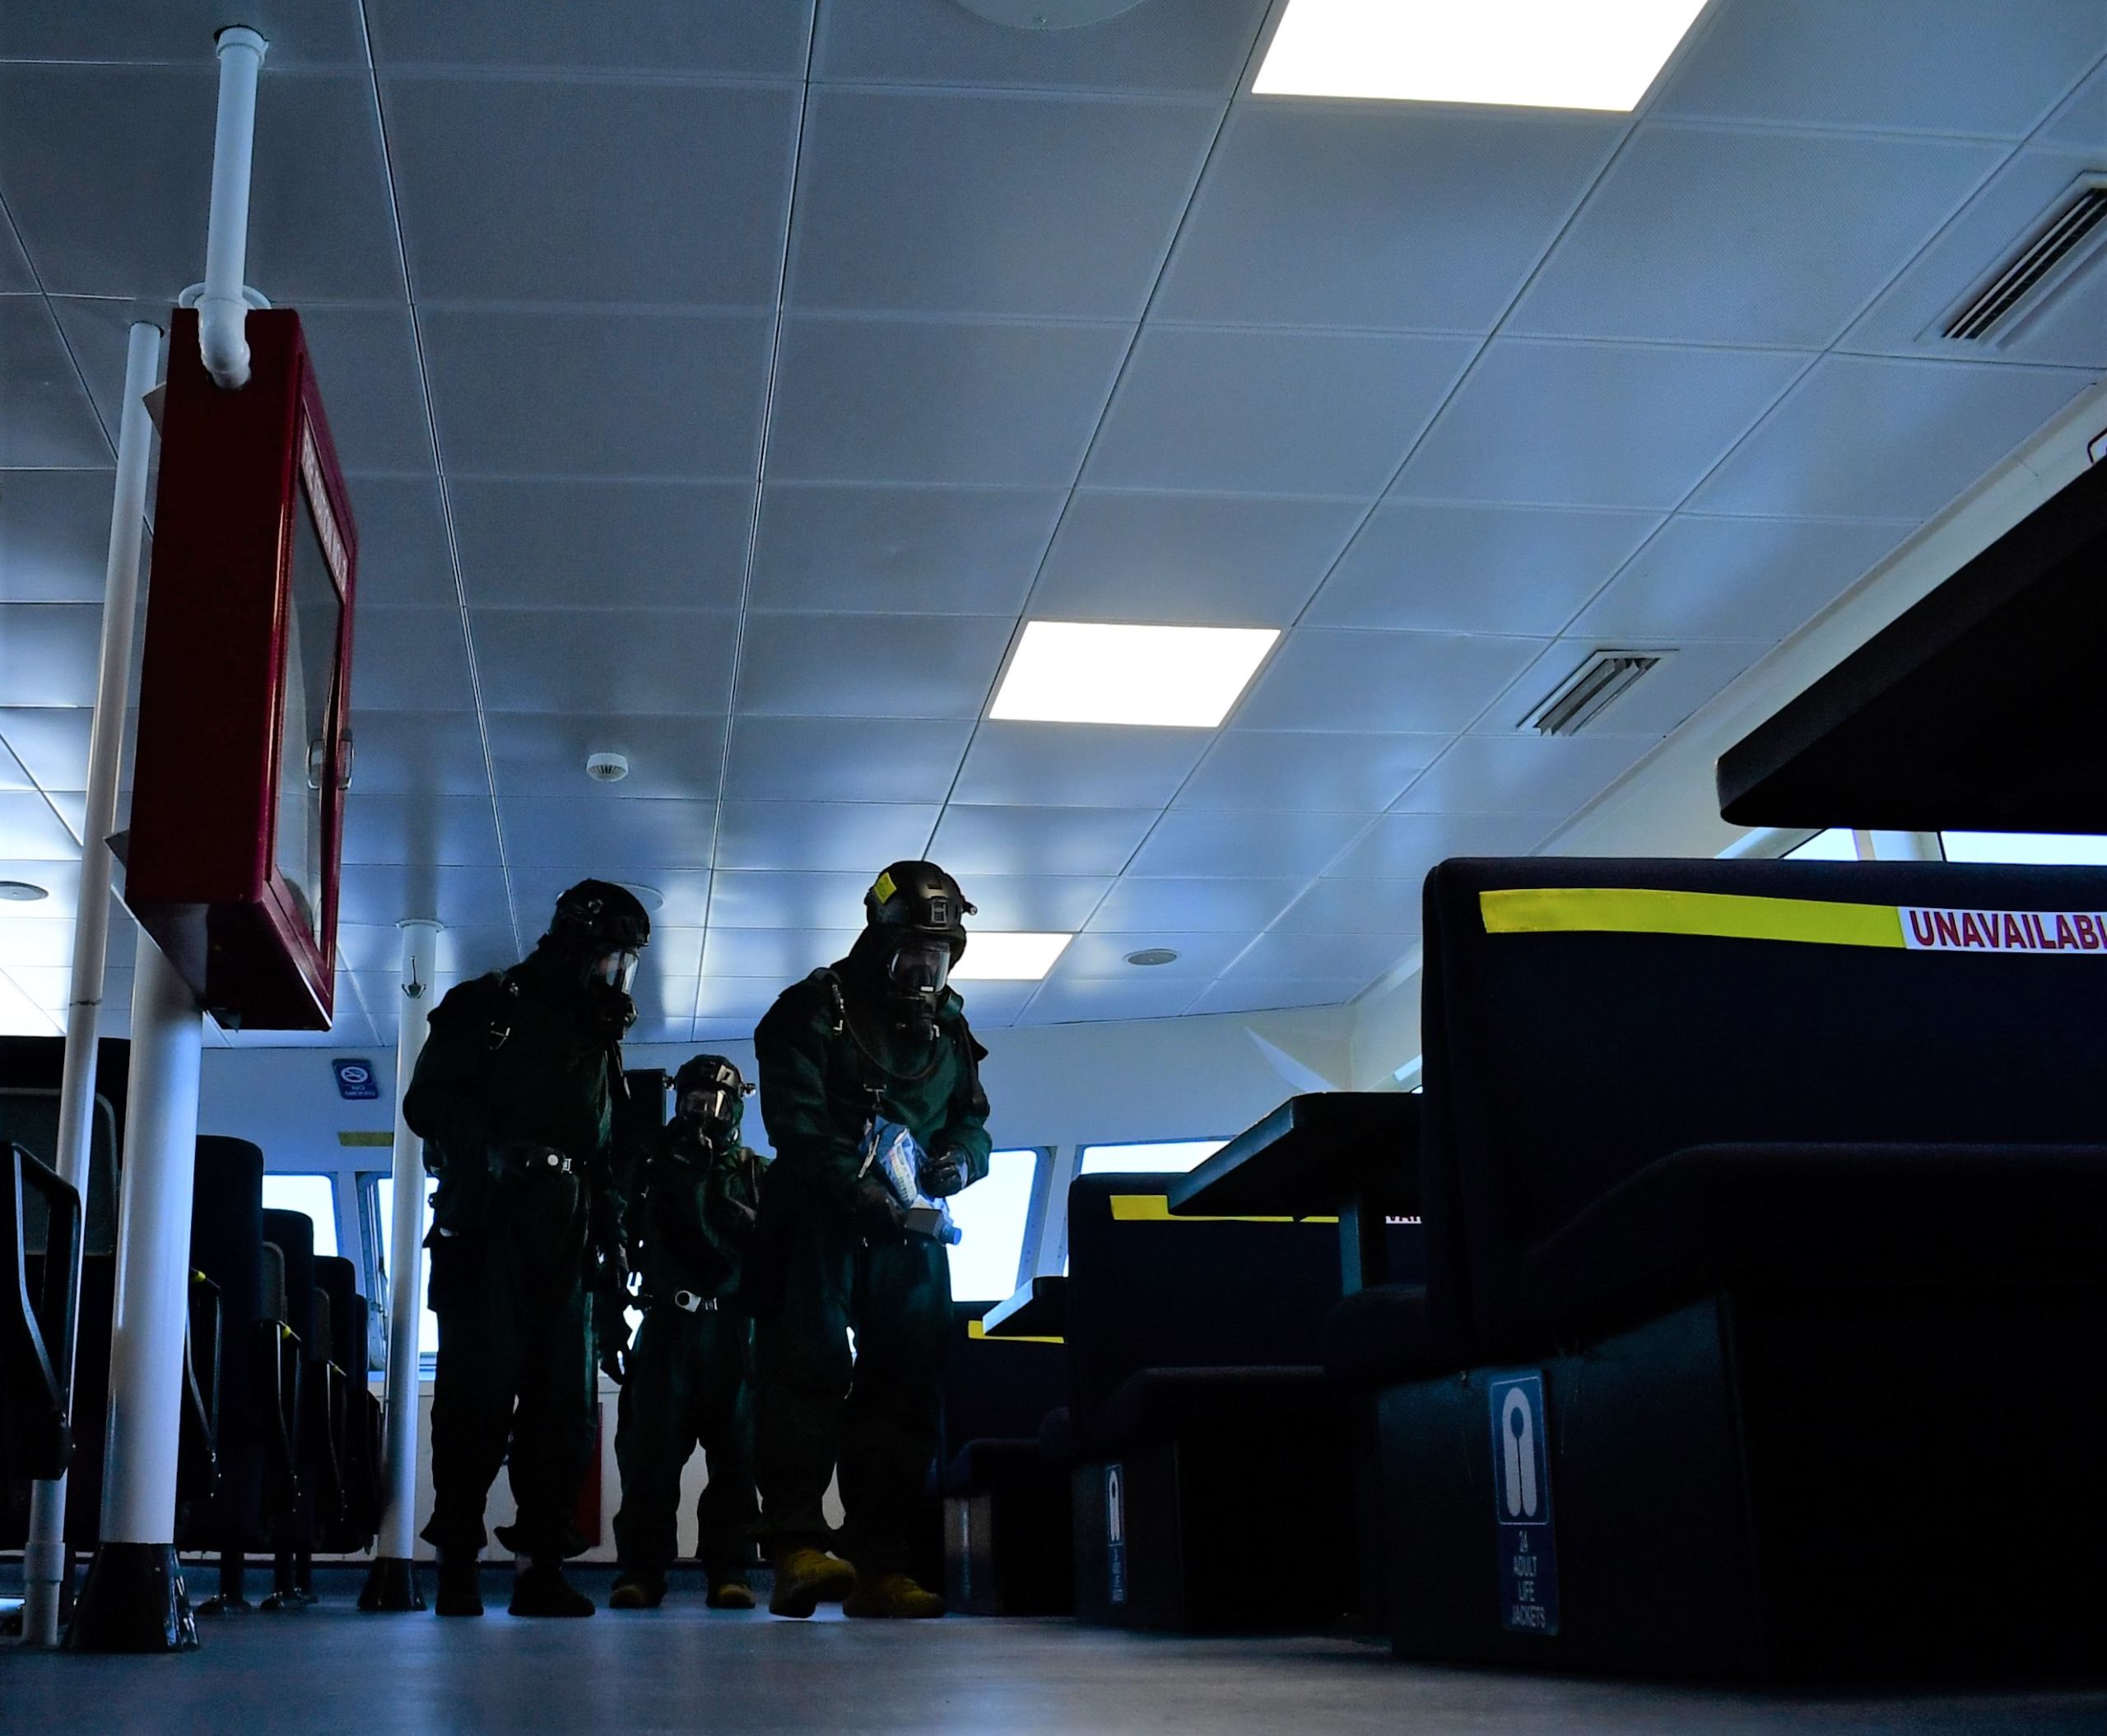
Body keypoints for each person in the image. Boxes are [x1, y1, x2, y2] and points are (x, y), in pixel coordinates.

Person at [750, 860, 993, 1620]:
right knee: (804, 1376)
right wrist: (847, 1183)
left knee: (903, 1387)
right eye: (915, 954)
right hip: (822, 1218)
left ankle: (880, 1561)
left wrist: (962, 1160)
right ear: (877, 941)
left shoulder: (950, 1026)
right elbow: (793, 1121)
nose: (927, 971)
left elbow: (972, 1119)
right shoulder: (809, 1010)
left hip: (911, 1232)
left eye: (940, 955)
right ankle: (796, 1549)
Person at [402, 878, 649, 1618]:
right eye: (609, 959)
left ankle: (541, 1567)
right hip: (489, 1228)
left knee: (562, 1413)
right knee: (475, 1403)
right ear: (574, 945)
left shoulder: (598, 1038)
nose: (617, 977)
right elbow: (427, 1104)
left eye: (626, 965)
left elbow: (604, 1151)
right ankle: (457, 1569)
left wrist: (612, 1244)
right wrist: (492, 1150)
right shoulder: (489, 1008)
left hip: (568, 1240)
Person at [608, 1054, 767, 1611]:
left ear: (735, 1106)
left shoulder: (755, 1171)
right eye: (692, 1100)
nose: (701, 1110)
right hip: (666, 1328)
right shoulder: (650, 1167)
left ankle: (730, 1570)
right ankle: (641, 1571)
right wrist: (609, 1323)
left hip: (734, 1329)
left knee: (738, 1459)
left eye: (713, 1101)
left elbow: (789, 1257)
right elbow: (616, 1241)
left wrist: (754, 1228)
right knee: (648, 1456)